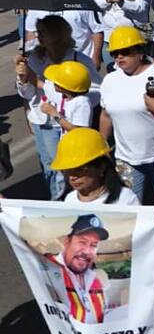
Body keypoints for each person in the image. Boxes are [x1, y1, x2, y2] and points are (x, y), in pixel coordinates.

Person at [98, 26, 154, 238]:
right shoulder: (110, 80)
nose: (119, 57)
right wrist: (101, 145)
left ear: (140, 52)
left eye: (125, 52)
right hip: (126, 157)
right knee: (130, 202)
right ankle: (137, 239)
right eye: (115, 53)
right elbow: (106, 115)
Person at [15, 15, 101, 199]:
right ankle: (55, 202)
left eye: (44, 32)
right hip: (41, 120)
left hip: (66, 124)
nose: (38, 36)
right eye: (38, 32)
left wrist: (66, 97)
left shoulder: (78, 59)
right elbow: (28, 94)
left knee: (66, 170)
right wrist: (23, 79)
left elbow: (95, 90)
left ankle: (66, 203)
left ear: (58, 34)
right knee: (49, 168)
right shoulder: (34, 59)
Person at [42, 213, 118, 324]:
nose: (87, 251)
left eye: (93, 245)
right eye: (82, 242)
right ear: (67, 242)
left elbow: (102, 313)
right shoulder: (47, 269)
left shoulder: (95, 280)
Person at [50, 128, 140, 206]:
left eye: (80, 170)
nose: (72, 177)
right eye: (67, 171)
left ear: (101, 168)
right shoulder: (70, 199)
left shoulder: (125, 199)